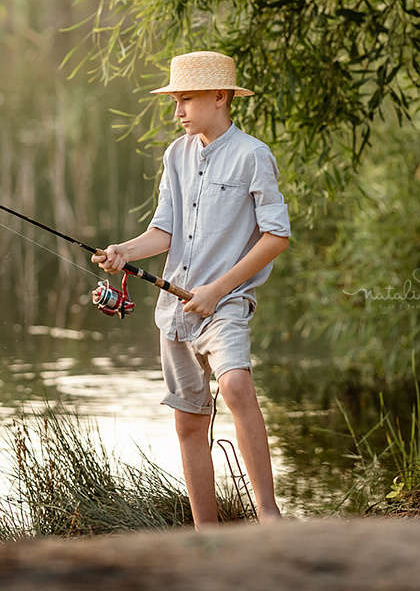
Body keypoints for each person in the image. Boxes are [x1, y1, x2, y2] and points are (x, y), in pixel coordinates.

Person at [93, 50, 291, 527]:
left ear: (220, 97)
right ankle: (206, 534)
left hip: (225, 303)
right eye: (175, 100)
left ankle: (268, 514)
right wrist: (124, 250)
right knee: (188, 421)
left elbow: (277, 236)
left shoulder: (253, 155)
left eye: (185, 99)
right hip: (175, 310)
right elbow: (163, 231)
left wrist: (218, 289)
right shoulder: (175, 155)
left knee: (237, 383)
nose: (177, 109)